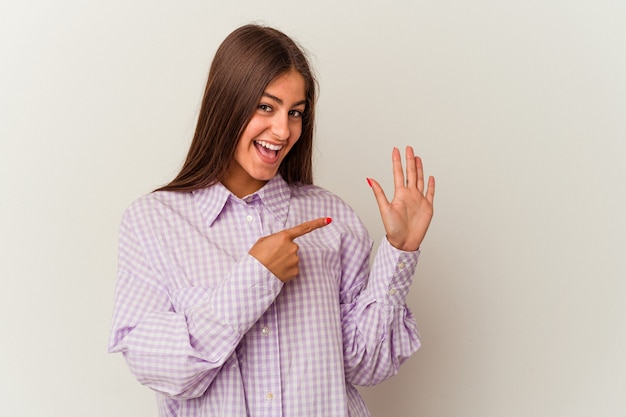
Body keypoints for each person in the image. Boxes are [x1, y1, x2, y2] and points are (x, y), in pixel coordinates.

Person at [108, 24, 435, 417]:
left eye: (295, 112)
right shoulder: (153, 222)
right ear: (227, 103)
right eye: (266, 106)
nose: (283, 131)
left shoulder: (332, 221)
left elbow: (365, 364)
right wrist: (254, 279)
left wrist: (400, 250)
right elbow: (157, 366)